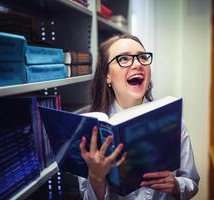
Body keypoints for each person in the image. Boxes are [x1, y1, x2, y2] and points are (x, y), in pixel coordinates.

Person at [78, 34, 200, 200]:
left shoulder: (172, 119)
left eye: (142, 57)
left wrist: (177, 185)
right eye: (124, 59)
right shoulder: (91, 131)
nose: (137, 64)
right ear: (107, 75)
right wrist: (96, 176)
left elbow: (192, 182)